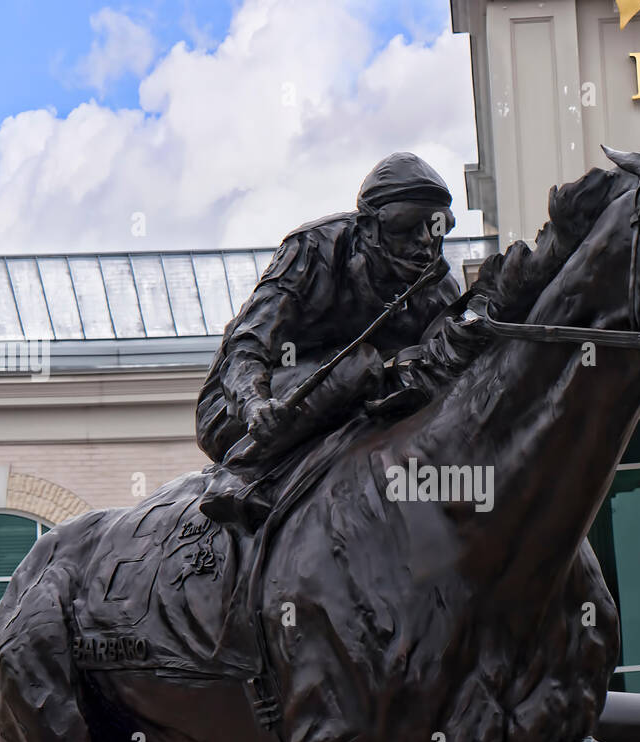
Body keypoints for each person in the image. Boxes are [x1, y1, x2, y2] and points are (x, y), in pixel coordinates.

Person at [195, 152, 466, 525]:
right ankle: (241, 472)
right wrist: (256, 406)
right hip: (241, 411)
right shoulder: (313, 250)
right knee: (362, 364)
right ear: (369, 227)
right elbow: (247, 346)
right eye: (408, 227)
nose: (424, 242)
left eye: (435, 228)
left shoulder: (435, 287)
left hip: (351, 405)